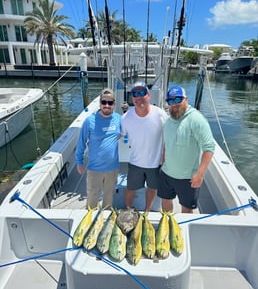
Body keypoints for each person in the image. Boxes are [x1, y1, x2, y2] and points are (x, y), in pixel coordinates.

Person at [158, 85, 215, 213]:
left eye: (178, 100)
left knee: (186, 208)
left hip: (187, 178)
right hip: (167, 173)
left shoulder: (196, 119)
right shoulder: (168, 121)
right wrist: (163, 163)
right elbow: (167, 145)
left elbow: (209, 147)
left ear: (186, 99)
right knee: (165, 201)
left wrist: (199, 174)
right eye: (171, 101)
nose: (174, 104)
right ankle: (167, 224)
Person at [121, 81, 168, 211]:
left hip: (155, 164)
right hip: (136, 162)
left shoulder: (161, 115)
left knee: (152, 188)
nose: (139, 97)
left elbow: (168, 138)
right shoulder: (125, 118)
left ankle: (147, 211)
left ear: (148, 96)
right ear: (132, 98)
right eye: (135, 94)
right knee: (130, 188)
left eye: (142, 93)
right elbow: (117, 135)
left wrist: (165, 159)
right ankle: (128, 209)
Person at [75, 88, 121, 209]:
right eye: (104, 102)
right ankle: (91, 224)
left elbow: (125, 133)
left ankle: (104, 223)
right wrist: (79, 162)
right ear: (100, 103)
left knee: (109, 198)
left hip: (112, 169)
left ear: (114, 104)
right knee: (91, 200)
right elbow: (81, 143)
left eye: (110, 103)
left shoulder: (119, 119)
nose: (107, 105)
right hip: (94, 169)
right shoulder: (89, 121)